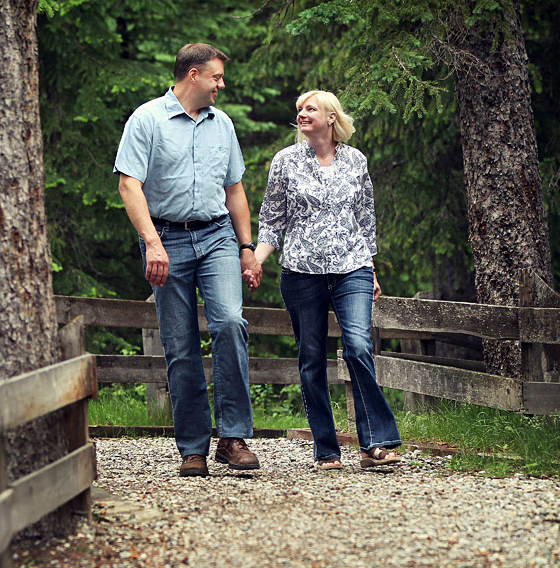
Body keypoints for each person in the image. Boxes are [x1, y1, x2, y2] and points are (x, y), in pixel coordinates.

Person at [113, 43, 262, 477]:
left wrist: (247, 247)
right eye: (216, 77)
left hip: (216, 235)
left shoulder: (224, 125)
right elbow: (129, 185)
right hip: (166, 240)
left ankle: (233, 438)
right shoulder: (147, 120)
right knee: (180, 345)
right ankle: (193, 447)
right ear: (193, 75)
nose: (222, 84)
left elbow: (234, 190)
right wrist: (152, 243)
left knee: (231, 323)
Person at [249, 90, 402, 470]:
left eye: (310, 109)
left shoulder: (356, 161)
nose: (301, 114)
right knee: (311, 358)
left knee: (358, 347)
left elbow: (365, 220)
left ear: (331, 117)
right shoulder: (285, 161)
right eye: (299, 109)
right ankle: (326, 448)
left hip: (353, 269)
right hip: (301, 273)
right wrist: (255, 261)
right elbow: (272, 221)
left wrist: (371, 267)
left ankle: (375, 444)